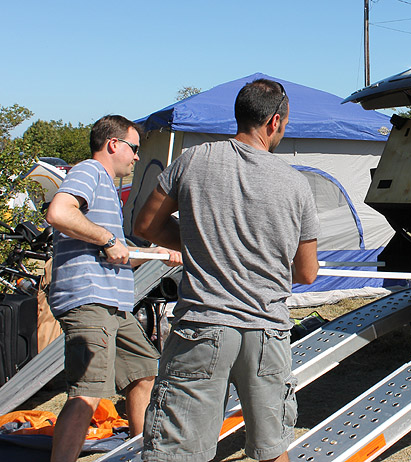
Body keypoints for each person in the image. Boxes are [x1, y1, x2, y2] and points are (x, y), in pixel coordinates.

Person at [135, 79, 319, 462]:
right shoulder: (297, 184)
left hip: (202, 327)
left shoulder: (194, 160)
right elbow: (307, 273)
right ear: (274, 122)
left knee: (178, 453)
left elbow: (146, 226)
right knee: (272, 450)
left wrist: (204, 243)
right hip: (267, 331)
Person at [45, 115, 182, 462]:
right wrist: (107, 238)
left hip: (114, 304)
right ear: (113, 144)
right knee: (87, 395)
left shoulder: (105, 186)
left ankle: (143, 455)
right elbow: (59, 213)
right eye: (134, 149)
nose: (137, 157)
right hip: (90, 299)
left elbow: (117, 256)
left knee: (145, 373)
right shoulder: (89, 172)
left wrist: (157, 253)